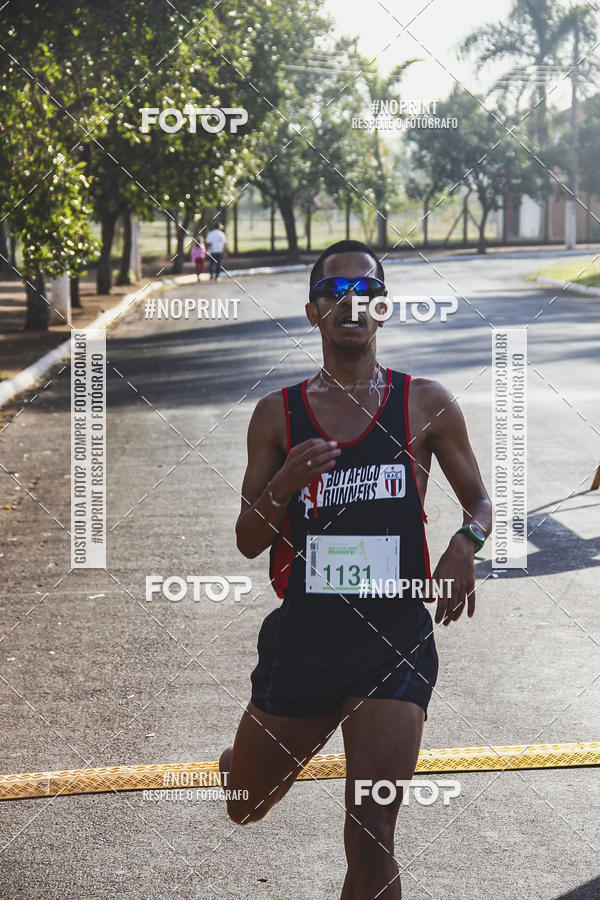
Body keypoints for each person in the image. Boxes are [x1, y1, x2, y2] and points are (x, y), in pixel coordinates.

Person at [220, 240, 492, 899]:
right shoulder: (276, 415)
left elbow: (479, 502)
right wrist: (283, 483)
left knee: (371, 833)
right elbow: (249, 541)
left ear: (382, 310)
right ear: (313, 311)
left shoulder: (425, 403)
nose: (351, 303)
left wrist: (466, 542)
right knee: (244, 803)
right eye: (335, 292)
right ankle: (240, 765)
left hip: (395, 639)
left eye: (364, 292)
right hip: (307, 637)